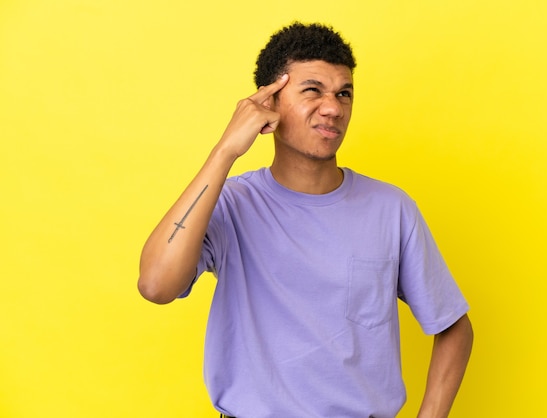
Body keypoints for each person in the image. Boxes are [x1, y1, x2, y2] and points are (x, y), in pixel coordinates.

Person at [138, 22, 473, 418]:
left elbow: (453, 326)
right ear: (270, 103)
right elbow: (156, 285)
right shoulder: (231, 204)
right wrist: (226, 150)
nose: (333, 107)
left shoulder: (391, 209)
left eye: (344, 93)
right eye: (313, 90)